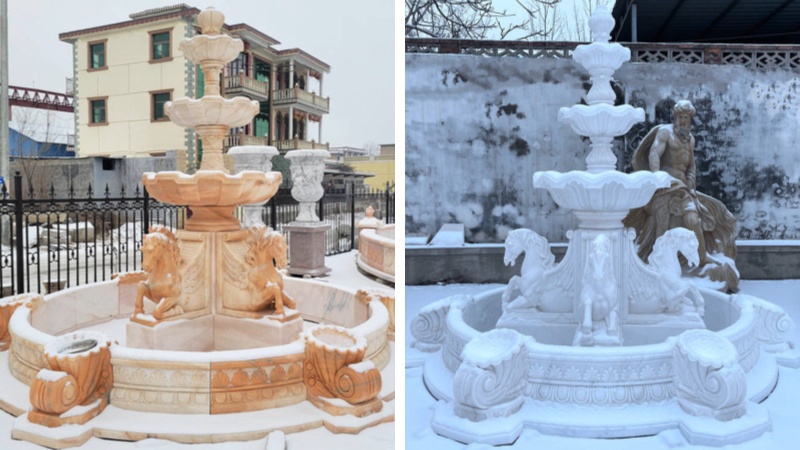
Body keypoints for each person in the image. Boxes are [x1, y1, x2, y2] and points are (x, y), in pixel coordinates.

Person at [624, 100, 739, 291]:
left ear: (690, 120)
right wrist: (658, 178)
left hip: (684, 189)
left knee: (694, 219)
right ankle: (656, 264)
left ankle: (702, 257)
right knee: (663, 224)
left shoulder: (690, 139)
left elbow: (691, 164)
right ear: (675, 118)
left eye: (686, 118)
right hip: (664, 187)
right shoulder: (665, 133)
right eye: (680, 118)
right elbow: (654, 154)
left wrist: (691, 178)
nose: (682, 121)